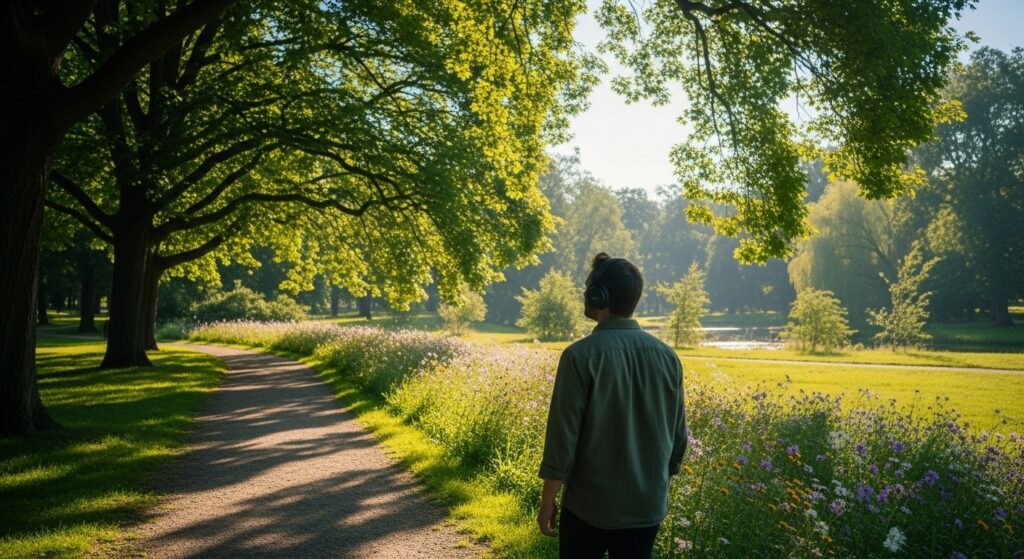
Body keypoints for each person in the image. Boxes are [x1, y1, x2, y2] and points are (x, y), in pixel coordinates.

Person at [537, 252, 687, 559]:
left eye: (588, 285)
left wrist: (547, 500)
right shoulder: (667, 357)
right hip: (647, 509)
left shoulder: (579, 357)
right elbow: (678, 438)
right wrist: (654, 485)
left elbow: (562, 440)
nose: (584, 292)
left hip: (589, 508)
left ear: (598, 294)